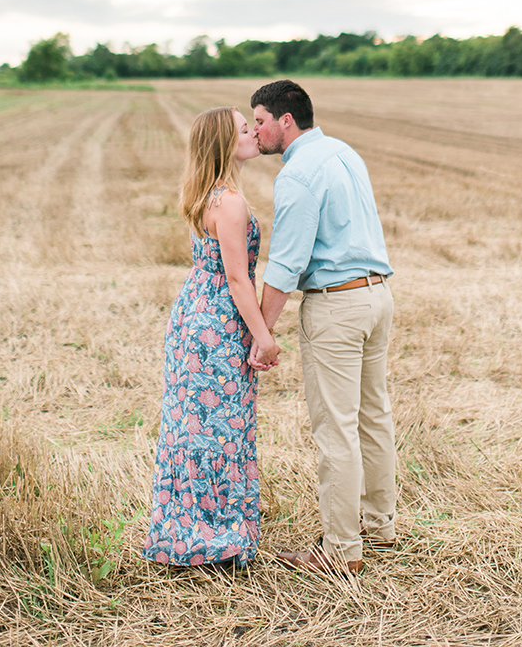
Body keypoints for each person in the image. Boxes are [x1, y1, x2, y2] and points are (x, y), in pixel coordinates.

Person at [249, 80, 396, 575]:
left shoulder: (298, 175)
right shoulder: (343, 152)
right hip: (377, 296)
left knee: (336, 428)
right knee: (373, 416)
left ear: (285, 120)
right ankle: (379, 526)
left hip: (337, 306)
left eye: (261, 121)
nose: (257, 131)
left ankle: (340, 549)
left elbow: (285, 267)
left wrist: (260, 336)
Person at [143, 106, 279, 569]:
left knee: (192, 424)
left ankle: (186, 529)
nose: (254, 135)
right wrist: (264, 337)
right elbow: (238, 280)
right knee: (222, 426)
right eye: (245, 129)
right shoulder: (232, 203)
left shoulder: (205, 196)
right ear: (226, 144)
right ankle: (218, 535)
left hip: (192, 316)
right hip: (219, 323)